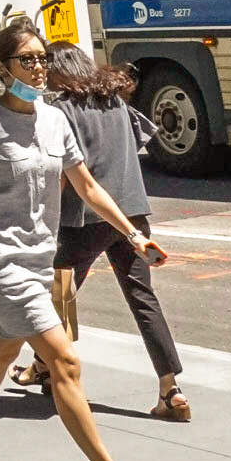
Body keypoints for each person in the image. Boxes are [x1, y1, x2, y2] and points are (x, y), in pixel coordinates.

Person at [0, 17, 168, 461]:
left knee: (1, 353)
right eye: (28, 60)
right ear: (2, 68)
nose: (40, 68)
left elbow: (87, 186)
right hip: (3, 263)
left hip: (40, 258)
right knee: (64, 361)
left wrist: (132, 233)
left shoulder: (55, 119)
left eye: (42, 59)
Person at [40, 43, 189, 422]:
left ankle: (53, 370)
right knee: (143, 298)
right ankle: (171, 389)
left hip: (83, 220)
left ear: (58, 70)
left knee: (59, 296)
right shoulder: (115, 102)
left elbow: (62, 174)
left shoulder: (61, 111)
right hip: (133, 215)